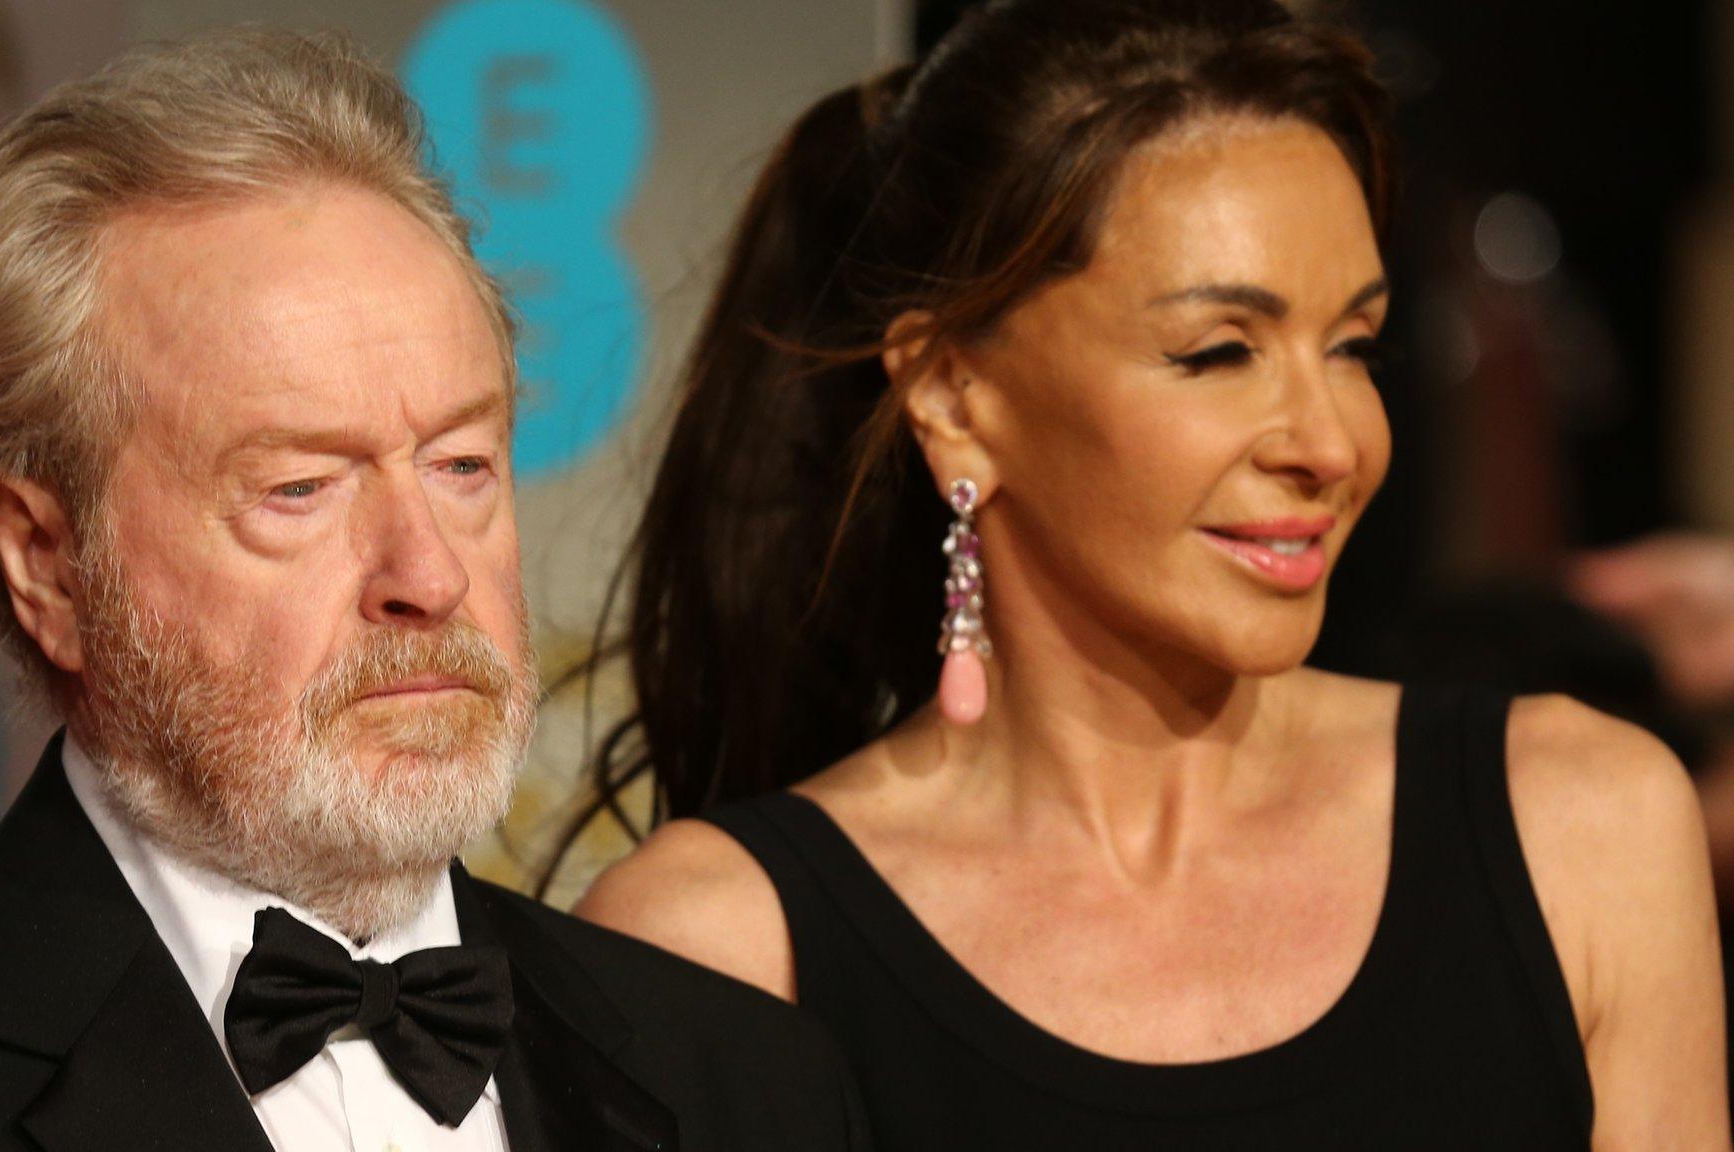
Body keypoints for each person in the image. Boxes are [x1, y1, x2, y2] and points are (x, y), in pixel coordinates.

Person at [572, 0, 1730, 1146]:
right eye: (1217, 353)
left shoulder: (1578, 824)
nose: (1329, 445)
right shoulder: (717, 948)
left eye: (1352, 348)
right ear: (951, 393)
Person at [0, 30, 867, 1152]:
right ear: (46, 560)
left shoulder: (748, 1084)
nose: (429, 575)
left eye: (463, 466)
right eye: (300, 488)